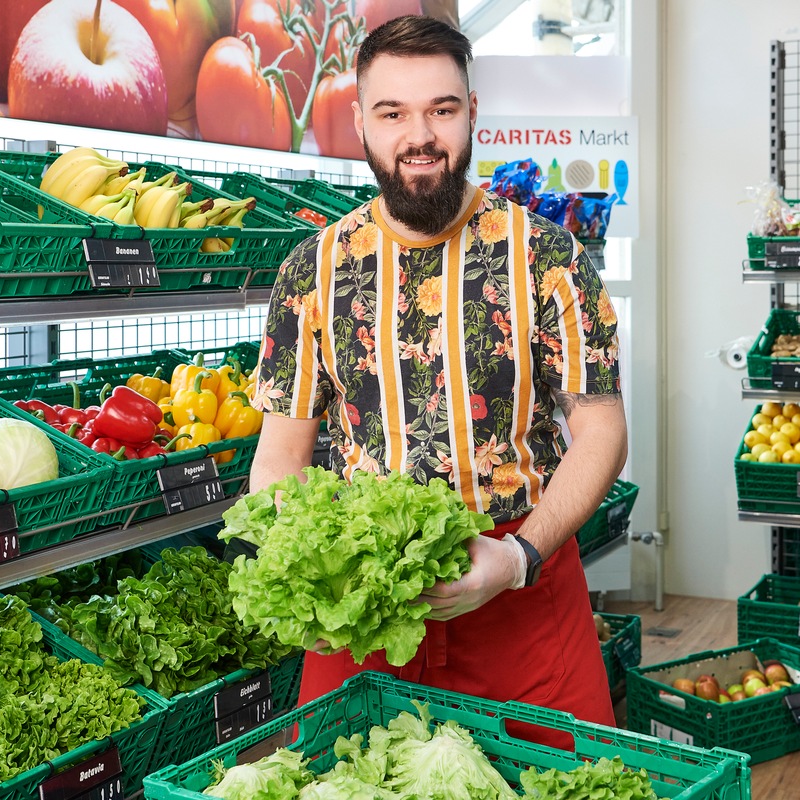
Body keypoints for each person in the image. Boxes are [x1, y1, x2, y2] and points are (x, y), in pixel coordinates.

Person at [247, 15, 627, 747]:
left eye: (441, 110)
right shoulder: (312, 270)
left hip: (520, 589)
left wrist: (519, 557)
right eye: (392, 112)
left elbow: (602, 429)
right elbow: (280, 458)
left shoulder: (548, 256)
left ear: (472, 114)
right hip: (363, 605)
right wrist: (310, 564)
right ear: (360, 121)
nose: (418, 135)